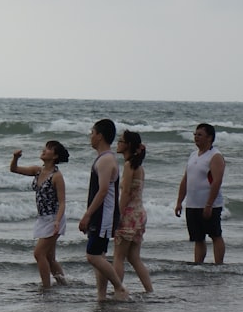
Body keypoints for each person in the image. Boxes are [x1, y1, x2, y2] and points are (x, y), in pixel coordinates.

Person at [77, 119, 131, 301]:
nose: (91, 137)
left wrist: (87, 215)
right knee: (99, 256)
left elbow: (102, 191)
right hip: (100, 215)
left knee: (92, 256)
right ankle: (101, 296)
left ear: (100, 135)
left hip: (103, 215)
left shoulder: (107, 160)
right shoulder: (103, 158)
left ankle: (119, 287)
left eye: (92, 133)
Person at [10, 141, 70, 289]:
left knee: (38, 254)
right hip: (43, 218)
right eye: (45, 147)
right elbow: (14, 169)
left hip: (54, 219)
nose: (44, 150)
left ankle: (46, 288)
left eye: (49, 149)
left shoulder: (57, 176)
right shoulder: (38, 170)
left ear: (55, 156)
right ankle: (63, 284)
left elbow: (62, 202)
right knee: (49, 257)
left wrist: (57, 221)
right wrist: (15, 157)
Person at [175, 123, 226, 264]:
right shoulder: (193, 155)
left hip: (210, 205)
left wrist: (209, 204)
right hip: (192, 204)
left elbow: (217, 181)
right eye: (195, 134)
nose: (196, 137)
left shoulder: (215, 156)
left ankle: (219, 265)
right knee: (198, 238)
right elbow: (186, 180)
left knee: (215, 235)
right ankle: (198, 265)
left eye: (200, 135)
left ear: (209, 138)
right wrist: (179, 202)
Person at [113, 130, 153, 293]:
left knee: (119, 256)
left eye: (121, 141)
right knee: (134, 257)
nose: (118, 143)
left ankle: (118, 289)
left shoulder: (130, 165)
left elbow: (126, 193)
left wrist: (117, 215)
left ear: (128, 145)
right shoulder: (139, 167)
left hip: (129, 215)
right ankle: (149, 290)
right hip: (139, 214)